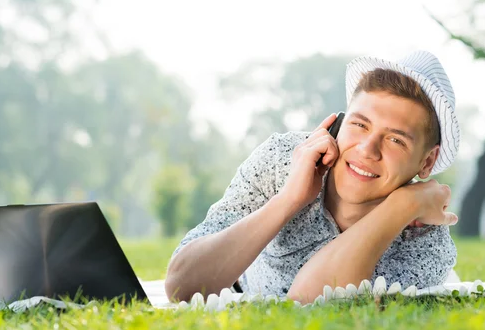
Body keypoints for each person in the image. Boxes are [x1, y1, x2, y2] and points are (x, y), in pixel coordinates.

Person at [165, 51, 460, 304]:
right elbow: (181, 287)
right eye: (360, 124)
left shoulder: (426, 241)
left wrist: (402, 207)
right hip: (238, 288)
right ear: (338, 124)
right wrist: (290, 198)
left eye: (396, 140)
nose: (367, 150)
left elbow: (308, 304)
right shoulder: (283, 158)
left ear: (428, 162)